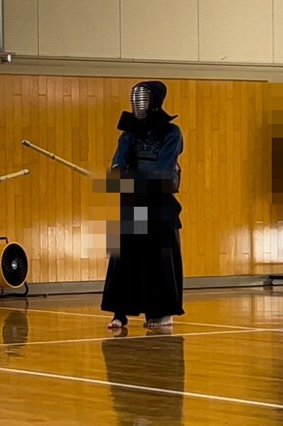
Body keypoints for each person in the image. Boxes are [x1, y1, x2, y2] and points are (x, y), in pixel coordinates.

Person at [100, 80, 185, 330]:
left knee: (160, 258)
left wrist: (139, 181)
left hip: (159, 204)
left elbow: (164, 168)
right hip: (134, 203)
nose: (138, 105)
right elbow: (120, 158)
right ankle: (120, 313)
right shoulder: (129, 133)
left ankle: (162, 312)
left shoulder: (172, 133)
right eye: (135, 99)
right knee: (124, 256)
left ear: (155, 102)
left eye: (144, 99)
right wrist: (117, 172)